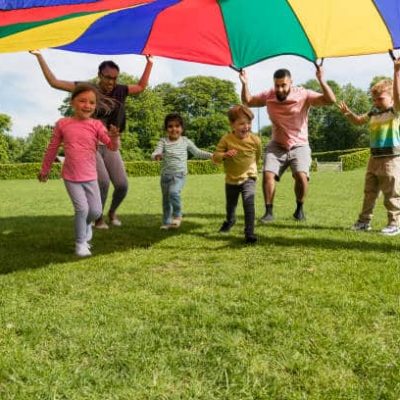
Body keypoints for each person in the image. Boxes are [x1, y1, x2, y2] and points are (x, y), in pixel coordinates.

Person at [31, 50, 153, 229]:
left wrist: (149, 62)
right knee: (102, 182)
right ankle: (98, 219)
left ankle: (112, 212)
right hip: (90, 145)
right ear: (99, 75)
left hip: (110, 143)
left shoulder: (120, 90)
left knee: (122, 185)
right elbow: (54, 82)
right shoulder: (88, 89)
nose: (111, 82)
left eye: (114, 78)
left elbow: (141, 86)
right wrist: (39, 56)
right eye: (107, 77)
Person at [240, 66, 336, 222]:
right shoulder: (269, 95)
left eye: (283, 85)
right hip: (277, 144)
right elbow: (248, 101)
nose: (280, 89)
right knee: (268, 174)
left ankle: (299, 209)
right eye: (277, 85)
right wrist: (244, 83)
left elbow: (330, 100)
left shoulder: (303, 94)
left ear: (291, 82)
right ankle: (268, 212)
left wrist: (321, 80)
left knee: (301, 176)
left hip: (299, 144)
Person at [38, 83, 120, 257]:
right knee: (82, 210)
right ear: (72, 102)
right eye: (82, 101)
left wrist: (115, 138)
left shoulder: (96, 125)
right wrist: (45, 170)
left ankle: (86, 224)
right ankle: (81, 243)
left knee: (96, 211)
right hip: (71, 176)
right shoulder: (62, 124)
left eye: (91, 102)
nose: (87, 105)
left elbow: (112, 147)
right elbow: (52, 148)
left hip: (91, 176)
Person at [338, 59, 400, 236]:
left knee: (392, 193)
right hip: (374, 159)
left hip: (391, 159)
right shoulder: (373, 113)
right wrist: (348, 114)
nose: (376, 102)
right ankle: (364, 222)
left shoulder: (394, 111)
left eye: (380, 98)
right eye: (374, 99)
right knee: (369, 192)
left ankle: (395, 223)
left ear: (391, 97)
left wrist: (396, 72)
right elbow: (358, 121)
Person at [151, 113, 212, 230]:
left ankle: (178, 215)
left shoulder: (185, 141)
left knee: (173, 193)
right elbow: (154, 153)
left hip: (179, 175)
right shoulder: (163, 141)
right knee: (166, 200)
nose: (174, 129)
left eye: (177, 126)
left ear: (182, 128)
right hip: (165, 176)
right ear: (166, 129)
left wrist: (211, 156)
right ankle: (166, 222)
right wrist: (156, 156)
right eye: (170, 126)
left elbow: (197, 152)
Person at [213, 105, 262, 244]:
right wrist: (225, 154)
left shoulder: (255, 140)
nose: (246, 126)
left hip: (249, 177)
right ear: (232, 124)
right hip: (231, 179)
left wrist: (252, 169)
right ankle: (230, 221)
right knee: (231, 206)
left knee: (249, 203)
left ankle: (249, 233)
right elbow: (215, 157)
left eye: (249, 123)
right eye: (241, 123)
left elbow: (258, 157)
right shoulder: (226, 139)